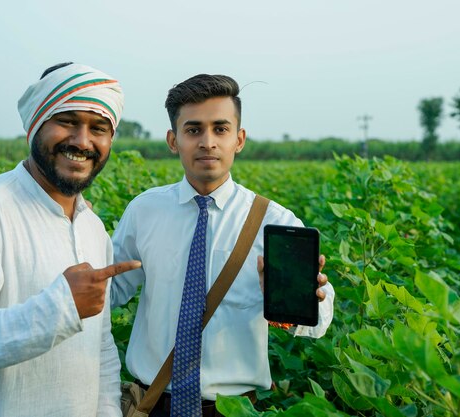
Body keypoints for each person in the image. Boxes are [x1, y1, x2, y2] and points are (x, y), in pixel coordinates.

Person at [0, 62, 140, 417]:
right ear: (35, 125)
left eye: (98, 128)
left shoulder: (93, 228)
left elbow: (100, 348)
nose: (83, 141)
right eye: (67, 121)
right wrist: (60, 307)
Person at [110, 74, 335, 417]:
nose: (208, 142)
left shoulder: (273, 220)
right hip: (152, 404)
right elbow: (111, 290)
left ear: (239, 139)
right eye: (193, 129)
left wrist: (300, 302)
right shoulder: (145, 210)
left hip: (234, 409)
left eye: (220, 129)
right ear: (173, 140)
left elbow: (319, 318)